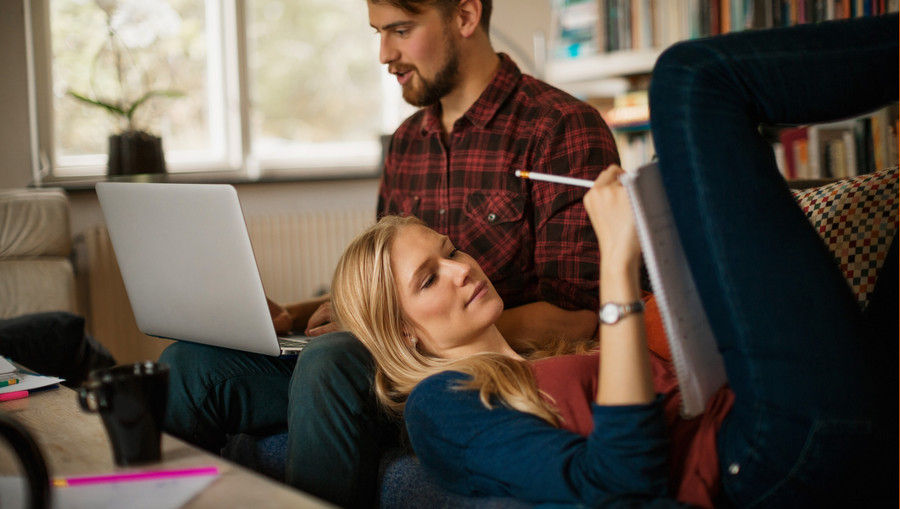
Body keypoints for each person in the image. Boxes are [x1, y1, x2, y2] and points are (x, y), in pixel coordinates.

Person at [328, 13, 896, 508]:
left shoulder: (547, 350)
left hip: (756, 402)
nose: (463, 267)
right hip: (753, 453)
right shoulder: (440, 406)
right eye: (430, 280)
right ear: (404, 337)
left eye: (450, 251)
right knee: (692, 79)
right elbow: (622, 484)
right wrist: (619, 270)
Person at [159, 0, 619, 506]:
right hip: (392, 353)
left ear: (465, 17)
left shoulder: (560, 127)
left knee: (332, 360)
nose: (384, 53)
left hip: (470, 370)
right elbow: (384, 275)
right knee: (191, 363)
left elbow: (578, 318)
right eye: (378, 32)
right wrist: (295, 312)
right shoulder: (407, 142)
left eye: (400, 30)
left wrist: (404, 335)